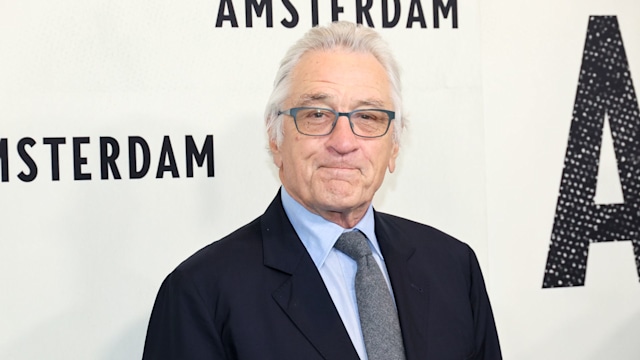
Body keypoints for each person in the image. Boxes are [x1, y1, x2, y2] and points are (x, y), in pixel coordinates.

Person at [143, 21, 501, 360]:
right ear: (275, 138)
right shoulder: (200, 294)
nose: (343, 142)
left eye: (368, 117)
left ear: (394, 146)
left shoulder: (453, 267)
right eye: (316, 114)